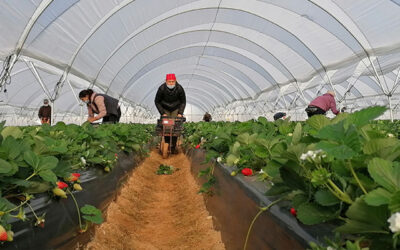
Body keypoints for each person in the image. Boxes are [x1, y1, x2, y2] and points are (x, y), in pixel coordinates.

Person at [155, 73, 186, 153]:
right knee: (166, 126)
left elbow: (183, 102)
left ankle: (173, 145)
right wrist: (162, 113)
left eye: (172, 81)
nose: (171, 83)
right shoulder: (161, 88)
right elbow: (157, 101)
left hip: (176, 108)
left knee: (175, 126)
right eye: (169, 82)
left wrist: (180, 113)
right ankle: (167, 143)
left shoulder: (179, 88)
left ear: (175, 81)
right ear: (166, 81)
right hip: (165, 108)